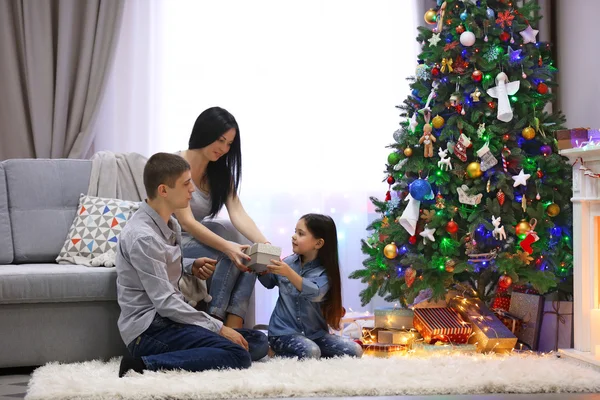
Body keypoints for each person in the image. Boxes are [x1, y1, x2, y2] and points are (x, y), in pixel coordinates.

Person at [116, 153, 268, 377]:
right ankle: (143, 364)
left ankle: (206, 350)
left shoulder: (170, 224)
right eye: (186, 184)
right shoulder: (143, 237)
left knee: (257, 340)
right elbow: (166, 303)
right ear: (163, 190)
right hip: (149, 331)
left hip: (168, 321)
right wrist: (219, 327)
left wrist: (189, 265)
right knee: (239, 355)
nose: (193, 190)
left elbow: (159, 263)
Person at [176, 106, 270, 329]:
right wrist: (228, 247)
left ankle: (235, 324)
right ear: (204, 132)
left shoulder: (219, 173)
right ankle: (215, 321)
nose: (224, 149)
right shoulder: (176, 166)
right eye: (220, 140)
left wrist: (264, 244)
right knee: (231, 254)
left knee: (249, 255)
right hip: (171, 239)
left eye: (229, 144)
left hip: (194, 238)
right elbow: (186, 222)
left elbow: (238, 212)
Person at [258, 214, 363, 359]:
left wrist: (289, 273)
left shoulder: (325, 273)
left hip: (316, 334)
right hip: (283, 333)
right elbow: (269, 282)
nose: (294, 237)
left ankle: (309, 353)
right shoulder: (287, 262)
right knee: (311, 352)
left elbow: (315, 292)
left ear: (318, 244)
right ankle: (276, 352)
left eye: (300, 234)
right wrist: (261, 271)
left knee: (354, 350)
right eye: (295, 231)